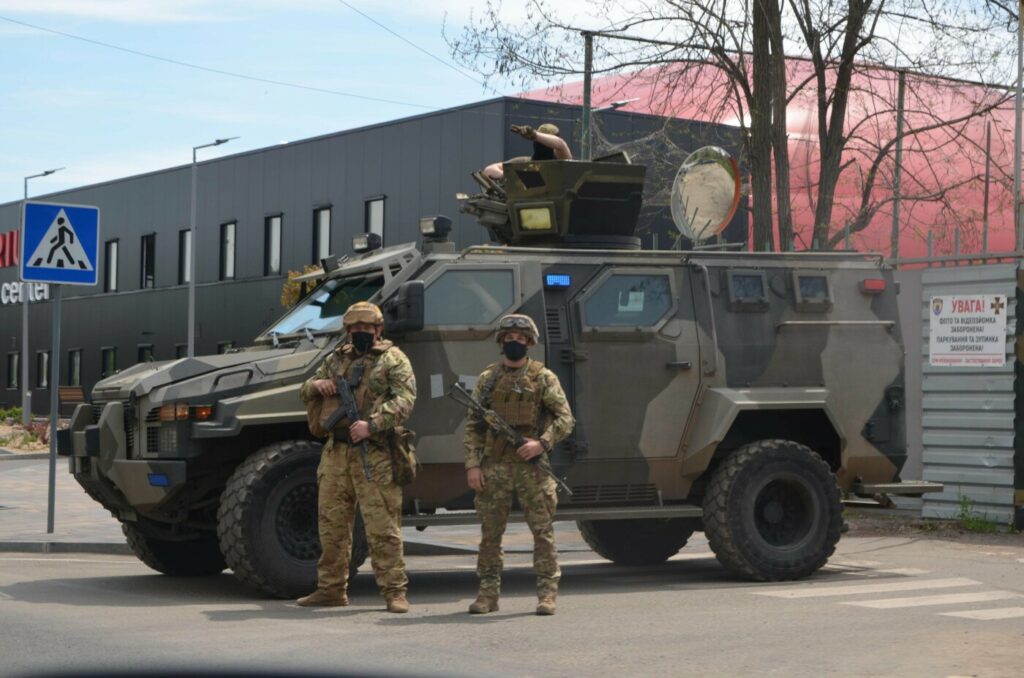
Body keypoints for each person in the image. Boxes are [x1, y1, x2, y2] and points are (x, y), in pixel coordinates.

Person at [296, 301, 417, 613]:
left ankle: (394, 592)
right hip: (336, 453)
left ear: (378, 330)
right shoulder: (336, 360)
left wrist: (372, 425)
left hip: (374, 453)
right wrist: (316, 385)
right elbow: (304, 389)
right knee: (331, 527)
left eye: (367, 328)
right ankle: (331, 589)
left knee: (383, 527)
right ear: (347, 331)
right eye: (355, 329)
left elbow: (405, 400)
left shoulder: (393, 359)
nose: (361, 333)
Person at [463, 313, 575, 616]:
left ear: (529, 343)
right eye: (509, 338)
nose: (515, 342)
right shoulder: (488, 380)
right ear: (501, 342)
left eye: (521, 339)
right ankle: (487, 594)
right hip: (495, 466)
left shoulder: (543, 378)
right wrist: (473, 465)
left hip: (533, 467)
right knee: (490, 534)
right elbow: (474, 425)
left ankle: (547, 593)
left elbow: (566, 419)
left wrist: (542, 443)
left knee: (542, 532)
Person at [483, 123, 572, 180]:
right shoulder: (522, 163)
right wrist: (506, 175)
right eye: (538, 142)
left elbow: (561, 145)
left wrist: (535, 135)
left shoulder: (562, 163)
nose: (541, 145)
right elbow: (488, 170)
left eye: (544, 141)